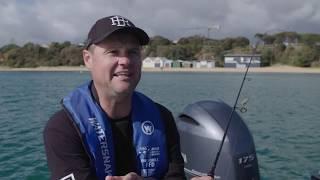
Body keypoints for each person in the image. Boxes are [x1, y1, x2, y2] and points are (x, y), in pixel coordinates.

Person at [44, 15, 213, 180]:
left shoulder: (162, 118)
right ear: (88, 59)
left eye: (132, 52)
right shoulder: (63, 129)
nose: (125, 60)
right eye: (113, 52)